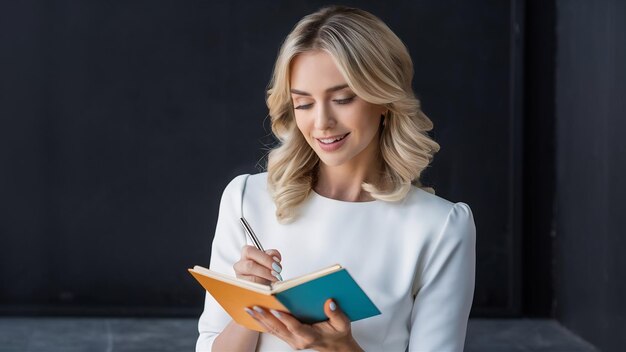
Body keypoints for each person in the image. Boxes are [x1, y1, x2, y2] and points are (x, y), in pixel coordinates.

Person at [196, 5, 475, 352]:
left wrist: (345, 349)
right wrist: (250, 305)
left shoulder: (440, 227)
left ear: (384, 99)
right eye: (304, 104)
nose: (322, 122)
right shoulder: (246, 200)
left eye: (342, 99)